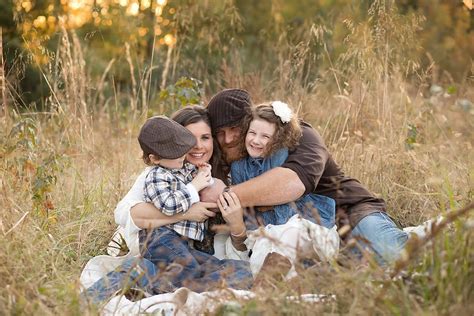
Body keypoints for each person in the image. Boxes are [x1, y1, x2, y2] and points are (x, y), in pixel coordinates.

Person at [206, 88, 409, 265]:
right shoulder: (220, 156)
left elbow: (291, 183)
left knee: (393, 257)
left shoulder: (298, 135)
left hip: (348, 211)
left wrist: (224, 196)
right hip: (291, 235)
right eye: (220, 132)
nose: (228, 138)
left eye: (235, 129)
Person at [215, 100, 339, 279]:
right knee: (263, 252)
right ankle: (281, 285)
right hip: (265, 227)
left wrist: (262, 201)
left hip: (300, 221)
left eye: (265, 137)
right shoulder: (239, 168)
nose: (256, 141)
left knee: (289, 234)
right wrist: (258, 204)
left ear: (278, 139)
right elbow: (246, 206)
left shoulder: (280, 156)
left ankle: (270, 285)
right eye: (252, 133)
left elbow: (281, 193)